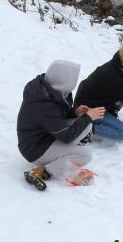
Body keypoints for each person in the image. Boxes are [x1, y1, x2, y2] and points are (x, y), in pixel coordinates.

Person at [17, 60, 106, 190]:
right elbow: (66, 136)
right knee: (84, 155)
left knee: (85, 124)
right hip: (35, 149)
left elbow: (56, 117)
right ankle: (43, 172)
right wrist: (88, 117)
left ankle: (65, 154)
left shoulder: (49, 89)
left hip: (45, 136)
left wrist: (75, 112)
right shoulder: (43, 104)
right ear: (65, 80)